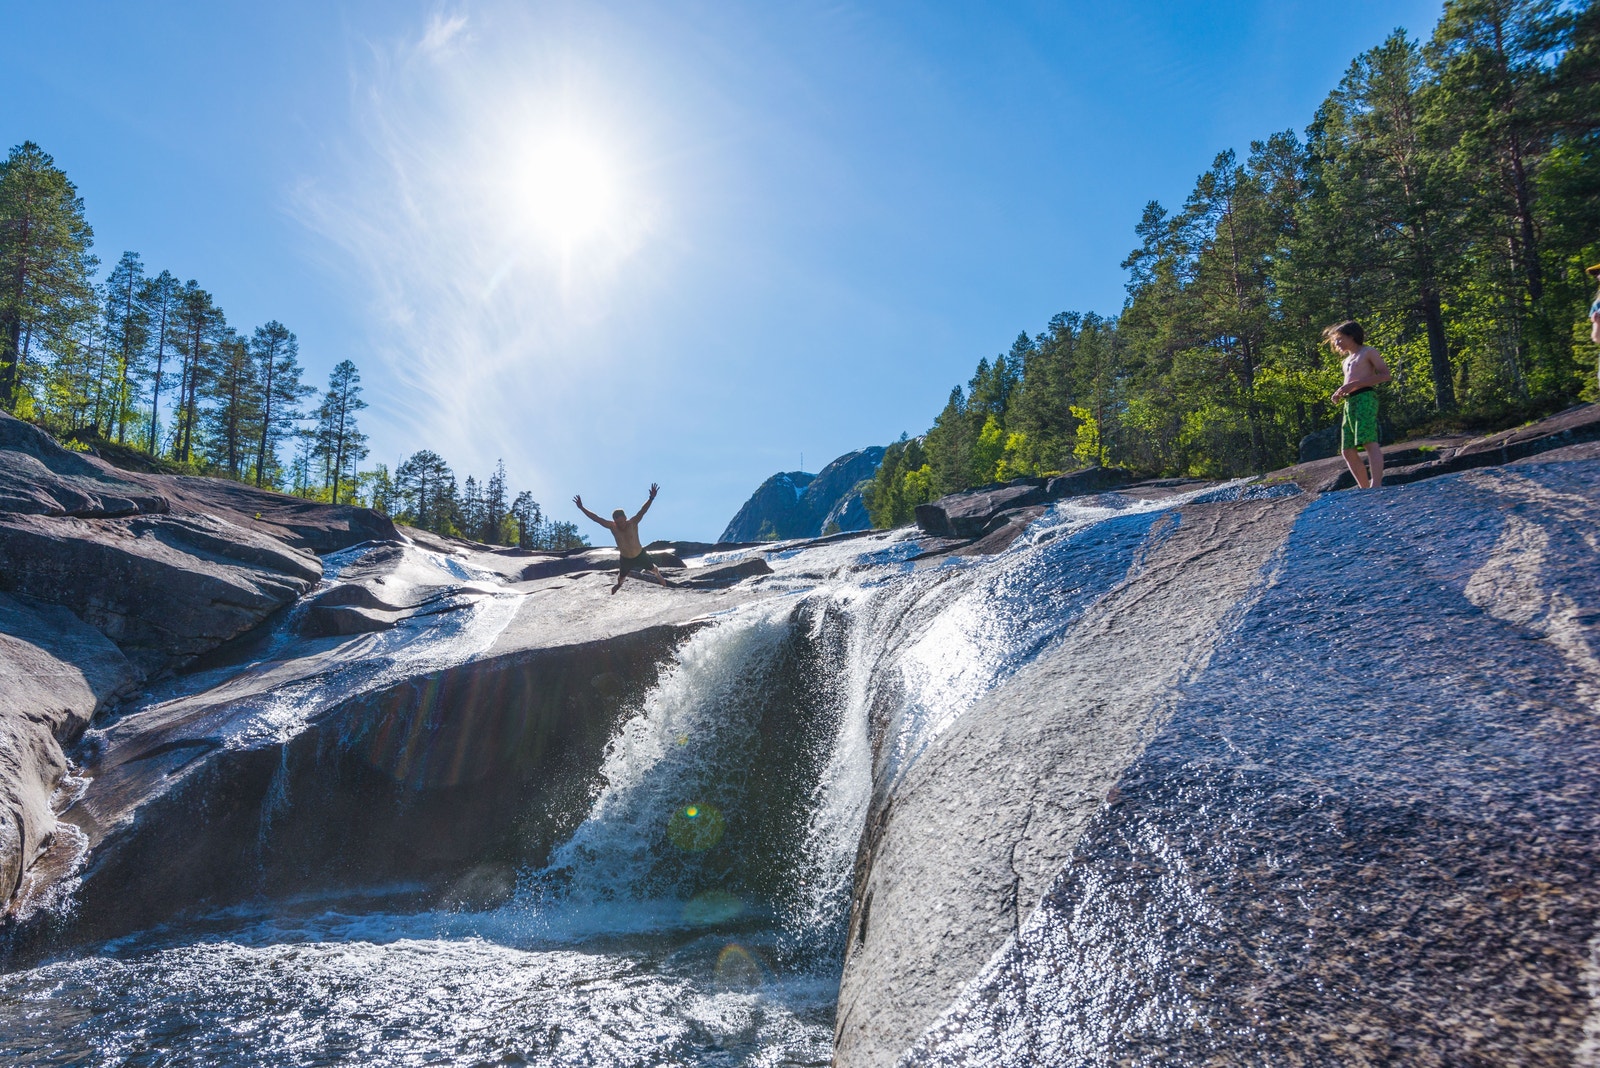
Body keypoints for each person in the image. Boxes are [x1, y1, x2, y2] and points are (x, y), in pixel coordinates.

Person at [1325, 320, 1391, 489]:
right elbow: (1349, 382)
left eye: (1339, 338)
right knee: (1347, 449)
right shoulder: (1345, 361)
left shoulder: (1368, 352)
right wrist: (1340, 392)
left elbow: (1385, 375)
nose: (1337, 343)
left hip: (1365, 398)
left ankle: (1376, 485)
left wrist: (1354, 385)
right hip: (1350, 402)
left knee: (1368, 441)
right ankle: (1364, 488)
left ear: (1351, 336)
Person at [573, 483, 670, 594]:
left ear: (625, 518)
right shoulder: (612, 527)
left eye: (621, 521)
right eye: (617, 522)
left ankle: (658, 575)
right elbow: (596, 518)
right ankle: (619, 584)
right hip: (626, 558)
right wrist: (581, 508)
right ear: (614, 521)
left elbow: (643, 511)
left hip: (640, 555)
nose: (620, 525)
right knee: (621, 577)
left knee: (653, 569)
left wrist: (651, 498)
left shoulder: (633, 523)